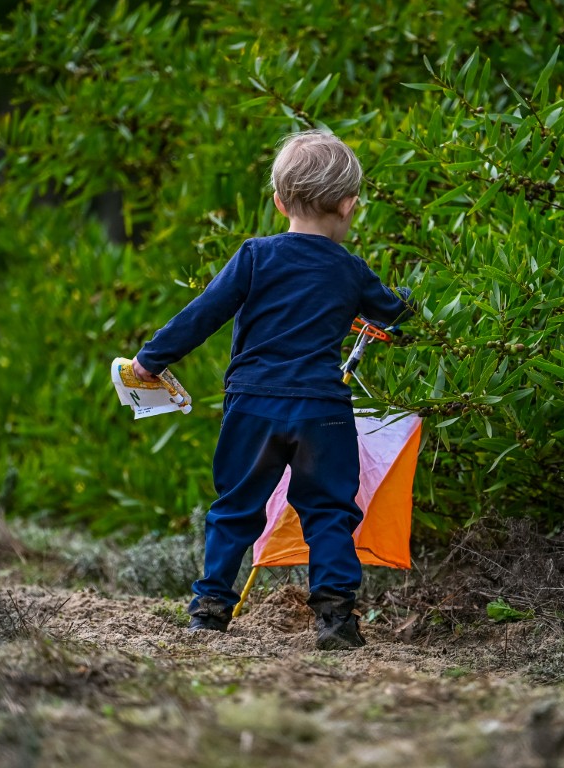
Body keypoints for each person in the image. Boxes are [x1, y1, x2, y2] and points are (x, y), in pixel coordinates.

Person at [131, 129, 413, 650]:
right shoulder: (351, 270)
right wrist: (411, 302)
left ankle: (210, 610)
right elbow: (394, 314)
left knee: (235, 507)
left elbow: (204, 313)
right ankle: (335, 620)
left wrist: (151, 360)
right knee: (329, 512)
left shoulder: (255, 256)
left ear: (280, 202)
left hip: (253, 407)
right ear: (349, 206)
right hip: (322, 412)